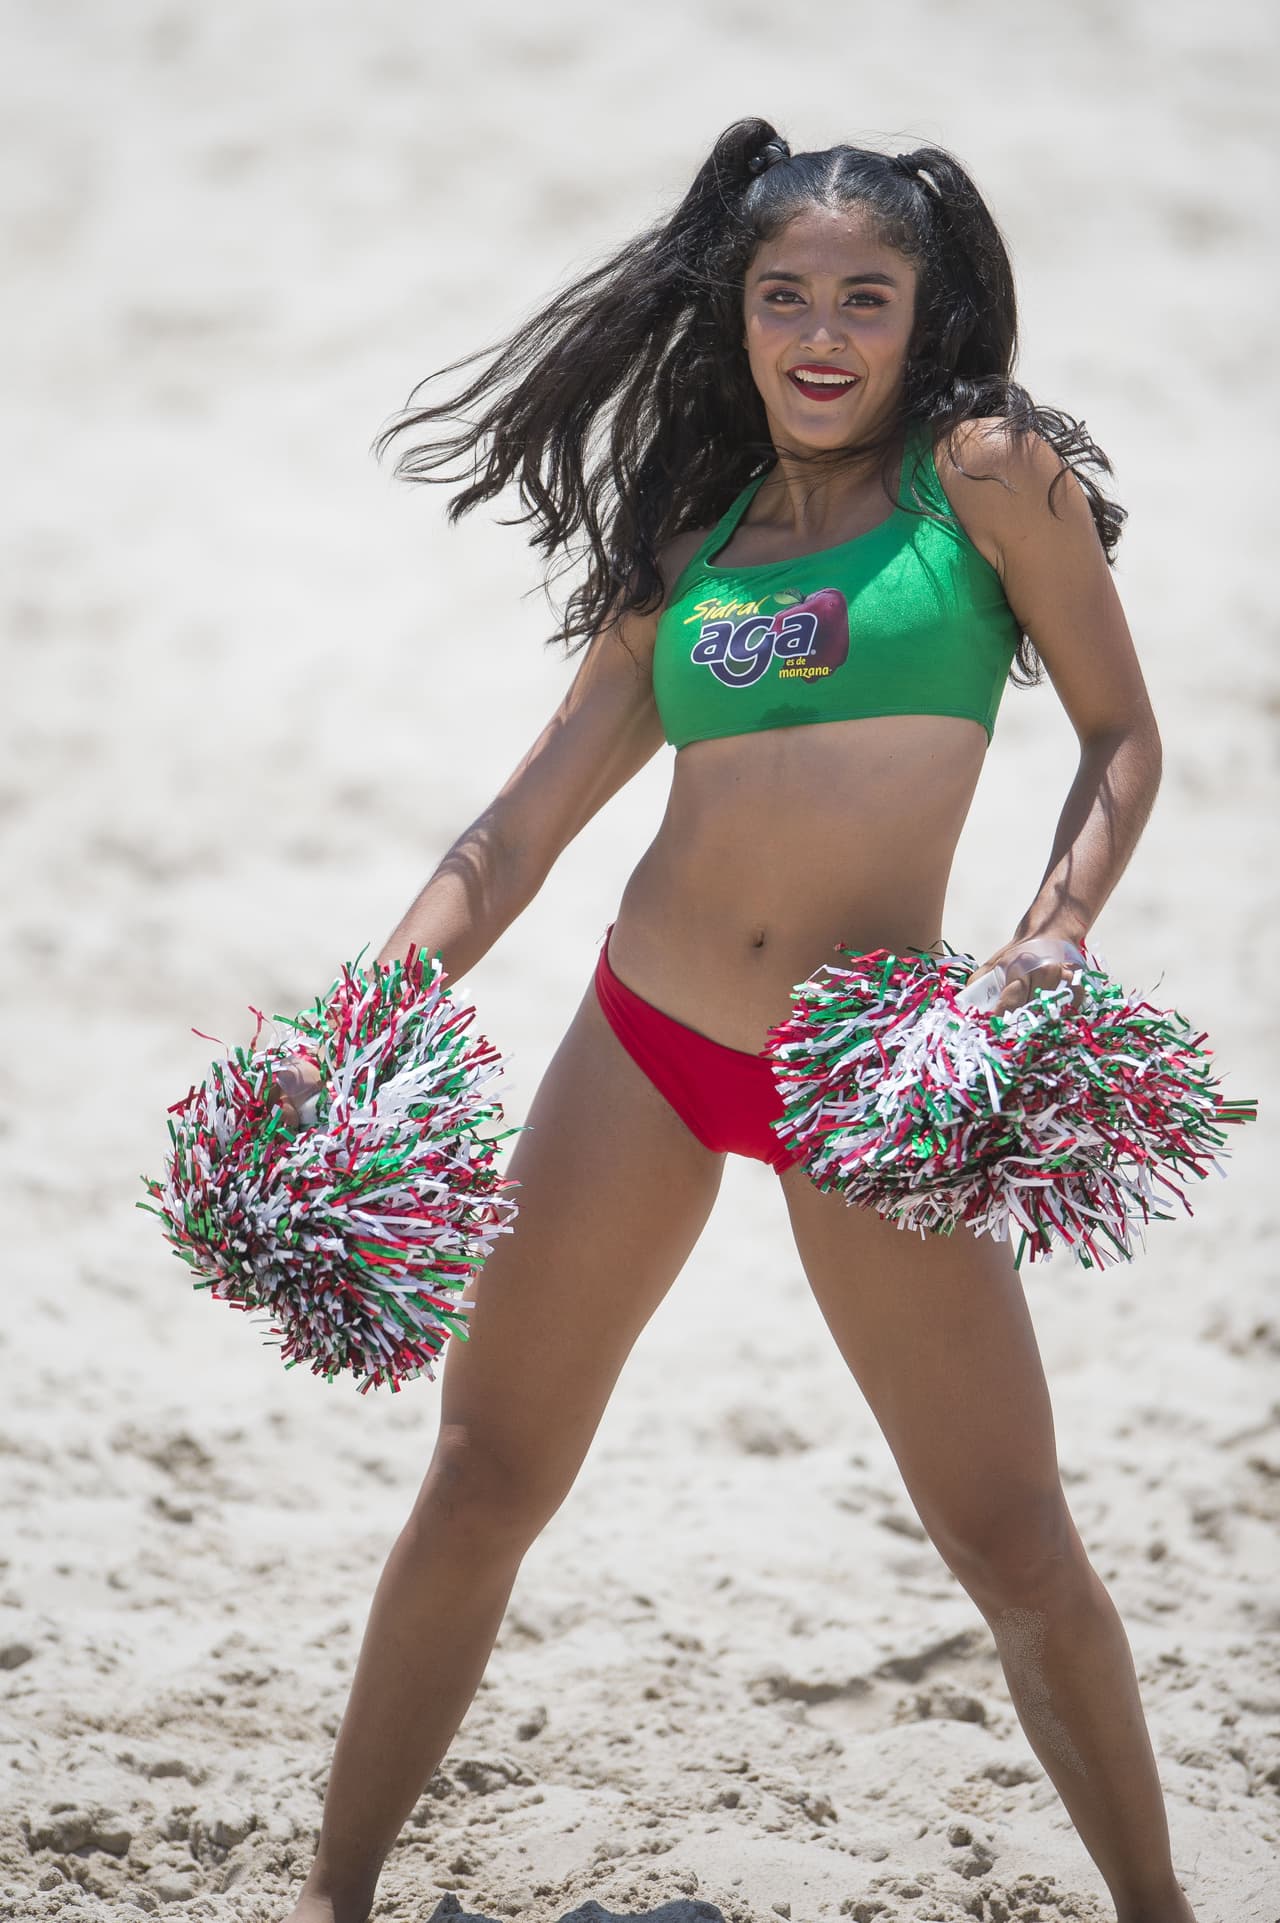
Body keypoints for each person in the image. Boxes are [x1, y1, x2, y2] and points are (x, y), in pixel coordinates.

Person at [278, 120, 1188, 1923]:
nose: (824, 332)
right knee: (481, 1473)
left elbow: (1124, 732)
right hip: (647, 1040)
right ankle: (332, 1893)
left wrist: (1058, 930)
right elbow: (524, 823)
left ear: (927, 315)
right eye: (788, 297)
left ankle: (1163, 1911)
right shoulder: (692, 534)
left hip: (872, 1081)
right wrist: (364, 1018)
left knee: (1011, 1544)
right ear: (740, 311)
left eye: (867, 295)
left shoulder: (987, 479)